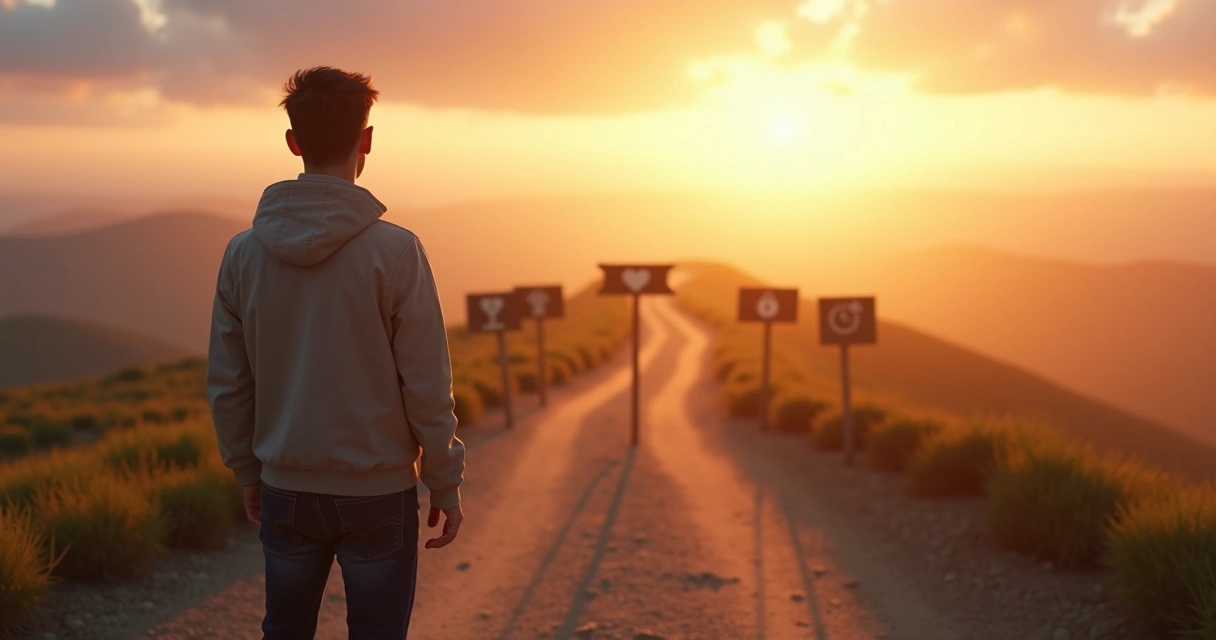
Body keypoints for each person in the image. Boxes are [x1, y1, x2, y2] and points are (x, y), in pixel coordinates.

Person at [206, 66, 466, 640]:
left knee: (285, 630)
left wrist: (249, 470)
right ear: (366, 140)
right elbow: (426, 382)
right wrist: (443, 480)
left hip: (285, 488)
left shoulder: (241, 254)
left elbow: (228, 382)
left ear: (293, 143)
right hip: (377, 494)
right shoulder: (397, 252)